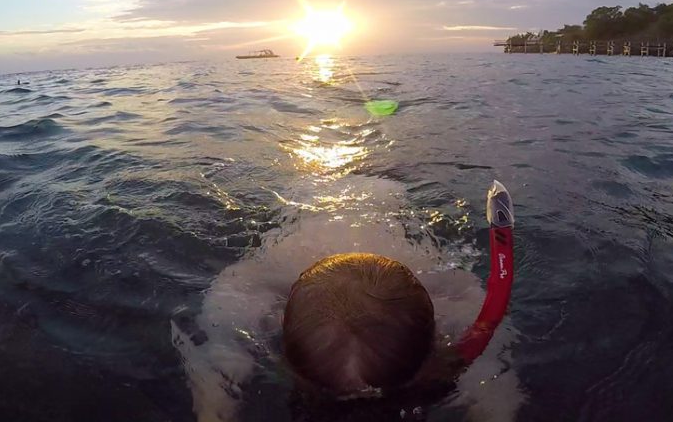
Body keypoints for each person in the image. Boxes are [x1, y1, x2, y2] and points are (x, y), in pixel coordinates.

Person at [172, 177, 518, 421]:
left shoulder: (445, 289)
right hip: (336, 201)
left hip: (339, 200)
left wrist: (216, 401)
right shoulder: (267, 277)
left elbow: (222, 343)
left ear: (283, 326)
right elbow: (492, 375)